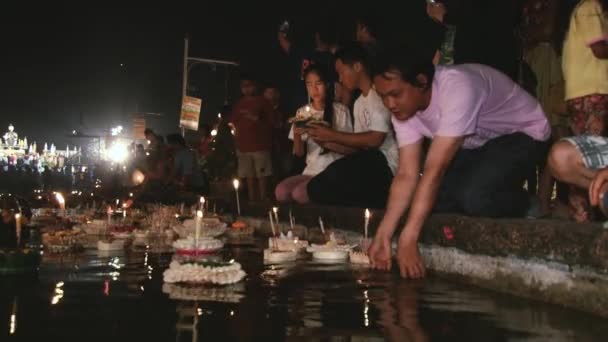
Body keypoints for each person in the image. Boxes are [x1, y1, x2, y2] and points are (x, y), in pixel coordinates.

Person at [369, 45, 550, 279]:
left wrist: (408, 239)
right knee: (434, 202)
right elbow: (407, 174)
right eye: (383, 96)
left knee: (475, 198)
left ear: (422, 82)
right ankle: (497, 193)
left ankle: (526, 204)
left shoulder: (457, 88)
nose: (389, 104)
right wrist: (383, 235)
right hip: (477, 145)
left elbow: (435, 170)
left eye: (395, 94)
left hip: (524, 133)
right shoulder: (405, 111)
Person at [305, 43, 398, 209]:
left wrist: (331, 135)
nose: (340, 79)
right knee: (316, 187)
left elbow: (375, 140)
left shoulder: (379, 94)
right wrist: (325, 142)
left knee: (336, 177)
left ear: (357, 66)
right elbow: (358, 147)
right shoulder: (358, 103)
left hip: (386, 162)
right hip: (367, 160)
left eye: (341, 72)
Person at [547, 0, 608, 221]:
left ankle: (582, 214)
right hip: (592, 92)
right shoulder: (590, 6)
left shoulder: (582, 10)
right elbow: (600, 49)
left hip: (584, 93)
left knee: (586, 158)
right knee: (586, 157)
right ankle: (583, 214)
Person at [275, 64, 353, 204]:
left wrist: (320, 138)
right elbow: (298, 153)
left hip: (332, 171)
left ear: (327, 85)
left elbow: (349, 149)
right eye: (309, 84)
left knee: (299, 193)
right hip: (311, 171)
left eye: (318, 83)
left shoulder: (340, 111)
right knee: (281, 191)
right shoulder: (302, 113)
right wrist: (298, 134)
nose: (314, 89)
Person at [231, 73, 275, 202]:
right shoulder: (238, 104)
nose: (246, 89)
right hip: (243, 146)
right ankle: (252, 200)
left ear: (254, 86)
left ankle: (263, 200)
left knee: (262, 175)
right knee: (248, 176)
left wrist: (257, 119)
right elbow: (234, 123)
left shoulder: (263, 102)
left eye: (248, 86)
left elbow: (271, 121)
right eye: (243, 86)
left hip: (260, 145)